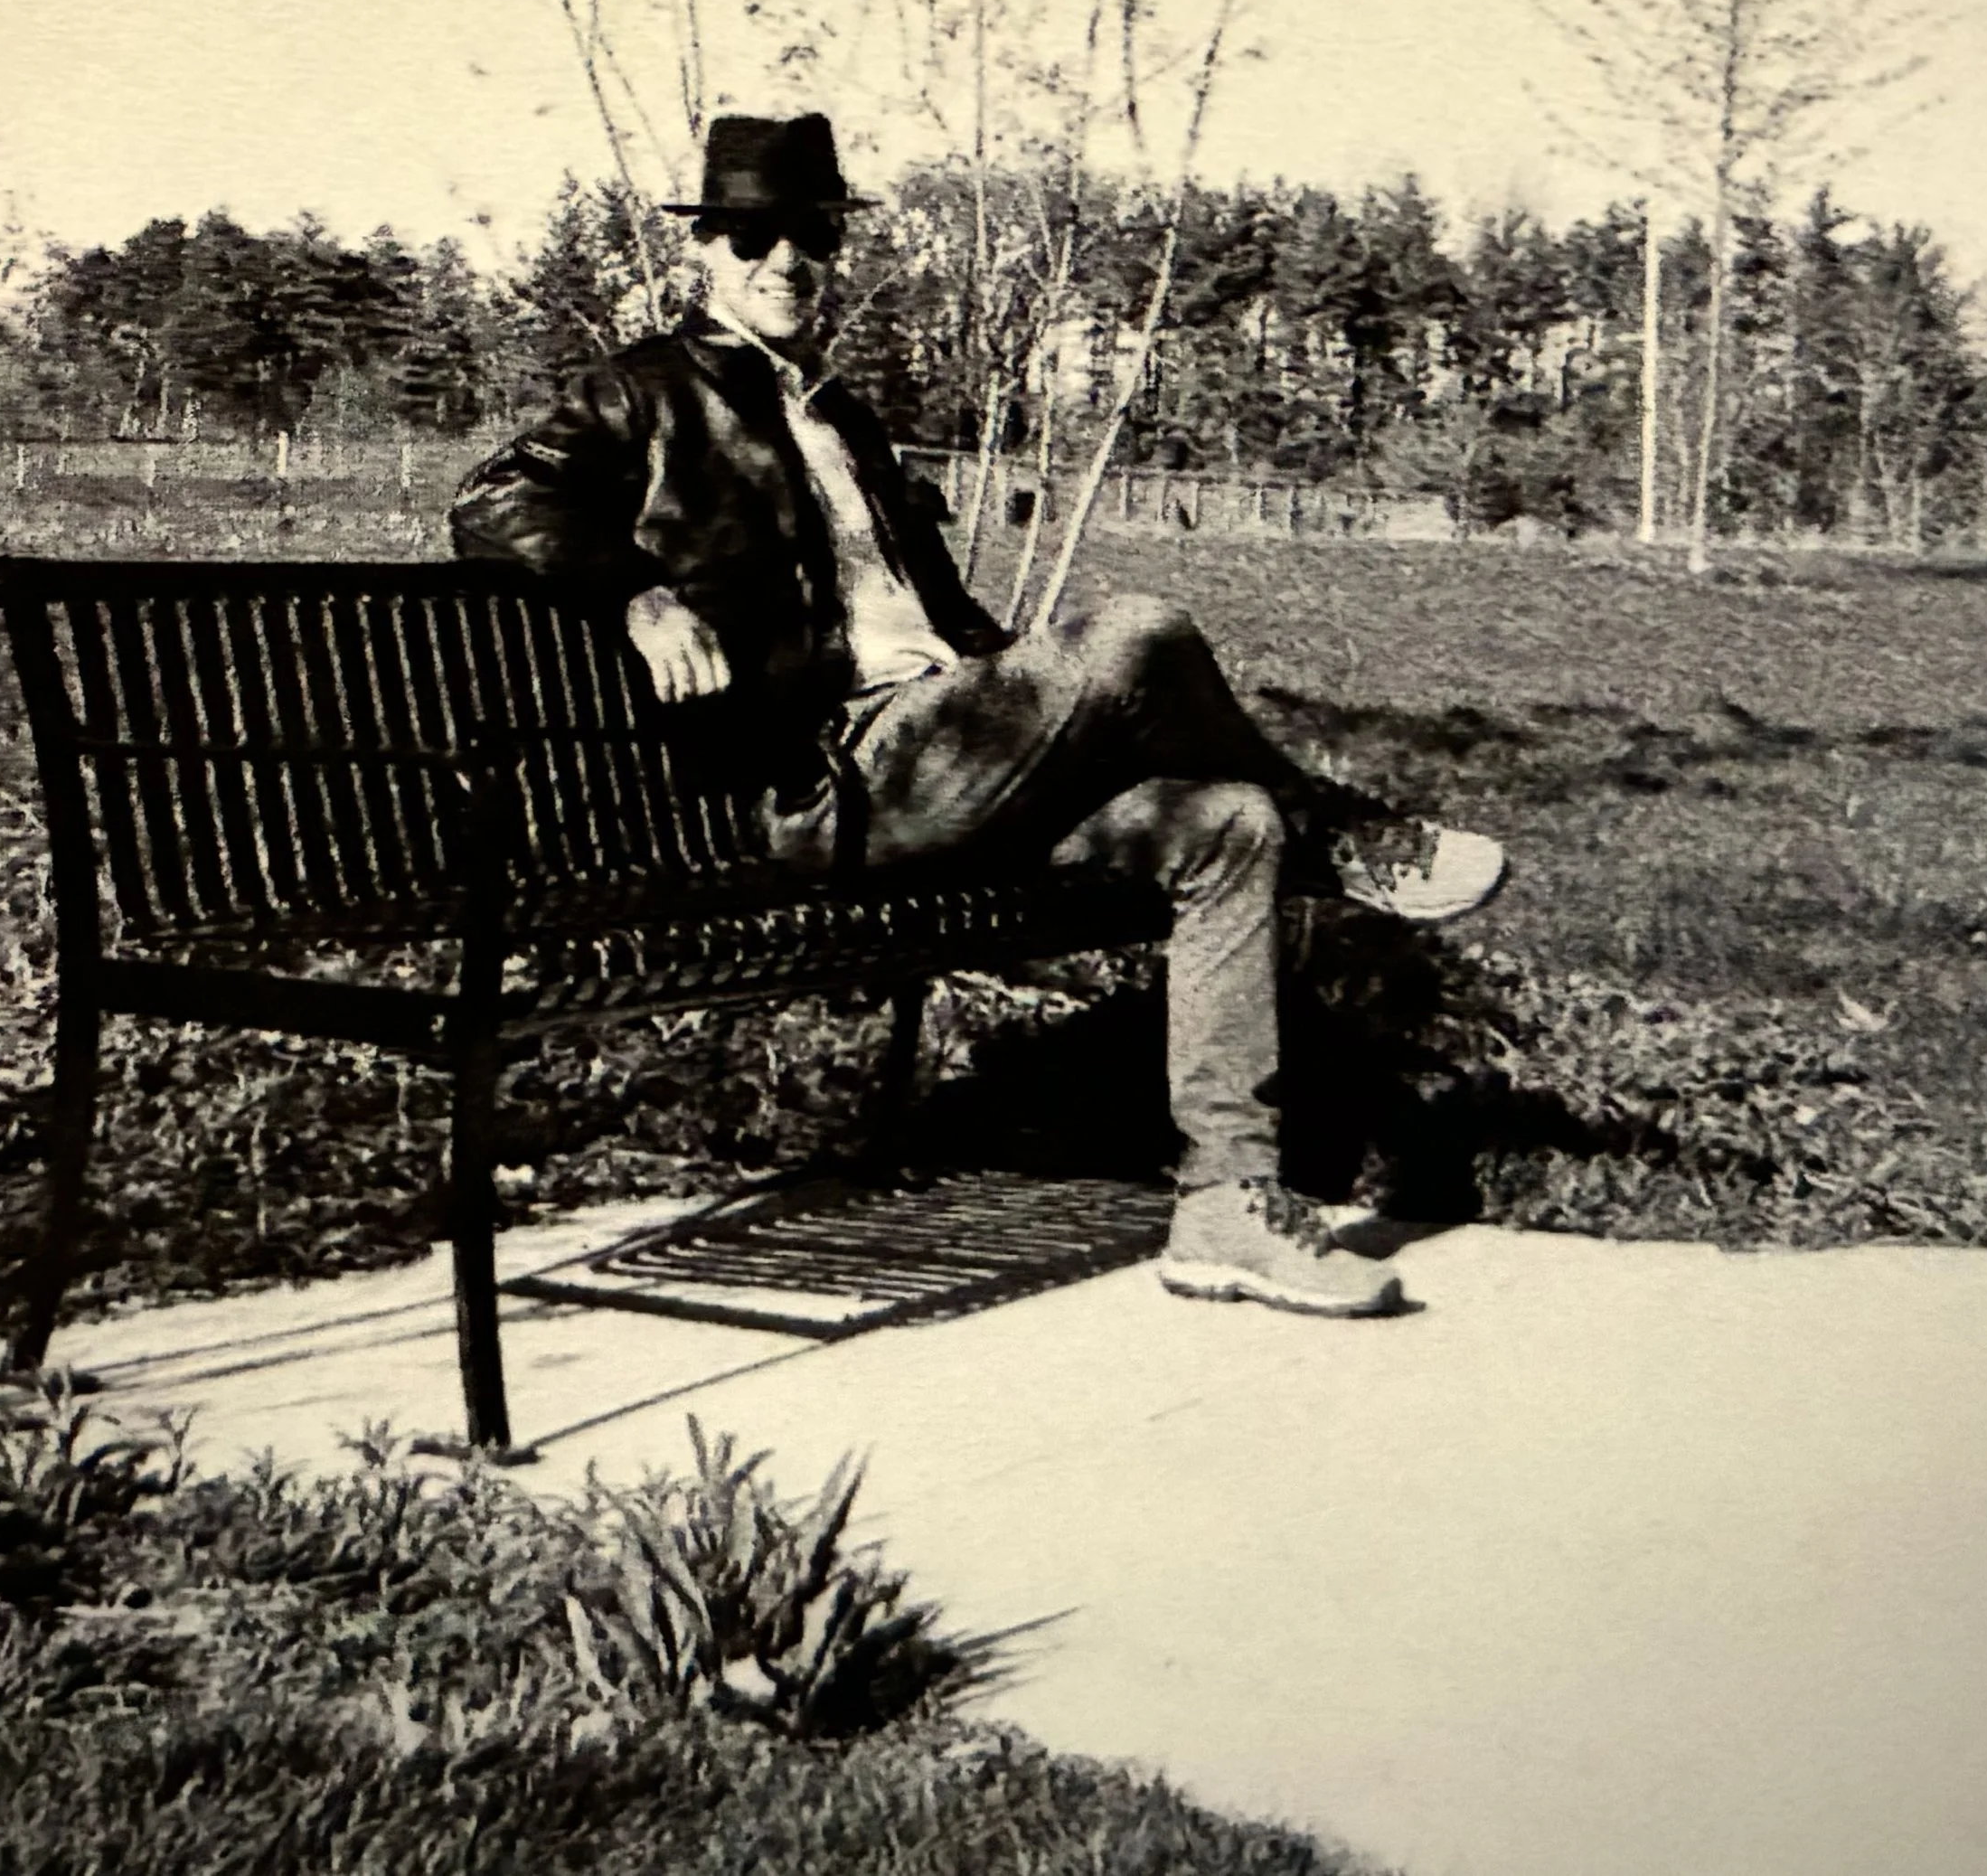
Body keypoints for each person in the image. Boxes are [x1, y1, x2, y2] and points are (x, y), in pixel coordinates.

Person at [450, 113, 1508, 1319]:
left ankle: (1227, 1204)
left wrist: (1037, 701)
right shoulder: (641, 393)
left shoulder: (841, 417)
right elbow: (492, 499)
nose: (784, 258)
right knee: (1140, 629)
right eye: (752, 233)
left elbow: (943, 621)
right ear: (705, 250)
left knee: (1228, 819)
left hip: (951, 753)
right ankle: (1353, 838)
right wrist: (637, 595)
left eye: (811, 232)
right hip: (832, 780)